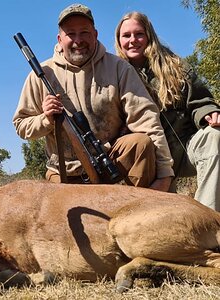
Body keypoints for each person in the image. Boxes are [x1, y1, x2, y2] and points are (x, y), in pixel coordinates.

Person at [13, 3, 174, 190]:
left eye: (84, 33)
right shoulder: (41, 75)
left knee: (140, 143)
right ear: (59, 39)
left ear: (95, 35)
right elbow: (21, 126)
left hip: (110, 163)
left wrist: (165, 173)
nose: (78, 40)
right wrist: (46, 119)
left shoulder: (119, 68)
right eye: (70, 34)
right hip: (65, 171)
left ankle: (136, 209)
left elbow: (147, 121)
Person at [115, 11, 220, 210]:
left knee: (215, 136)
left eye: (139, 34)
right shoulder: (114, 73)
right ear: (119, 41)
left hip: (184, 150)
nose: (133, 40)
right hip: (150, 160)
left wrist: (209, 112)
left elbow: (200, 100)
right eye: (126, 36)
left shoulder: (175, 66)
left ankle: (207, 218)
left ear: (149, 36)